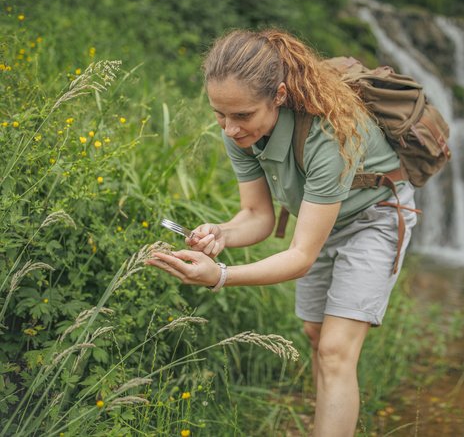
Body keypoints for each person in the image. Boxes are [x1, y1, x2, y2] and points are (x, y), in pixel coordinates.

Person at [146, 28, 418, 436]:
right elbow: (258, 216)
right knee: (315, 334)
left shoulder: (330, 133)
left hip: (373, 218)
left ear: (279, 95)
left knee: (335, 350)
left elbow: (301, 255)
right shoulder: (238, 128)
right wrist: (220, 233)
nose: (230, 129)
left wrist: (220, 276)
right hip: (321, 218)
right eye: (219, 114)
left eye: (241, 116)